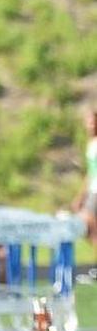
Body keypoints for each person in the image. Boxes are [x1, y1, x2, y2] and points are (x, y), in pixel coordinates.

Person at [72, 110, 97, 277]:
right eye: (88, 122)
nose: (91, 125)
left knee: (89, 225)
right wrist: (81, 196)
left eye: (93, 121)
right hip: (92, 190)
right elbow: (90, 173)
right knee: (88, 228)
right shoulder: (91, 143)